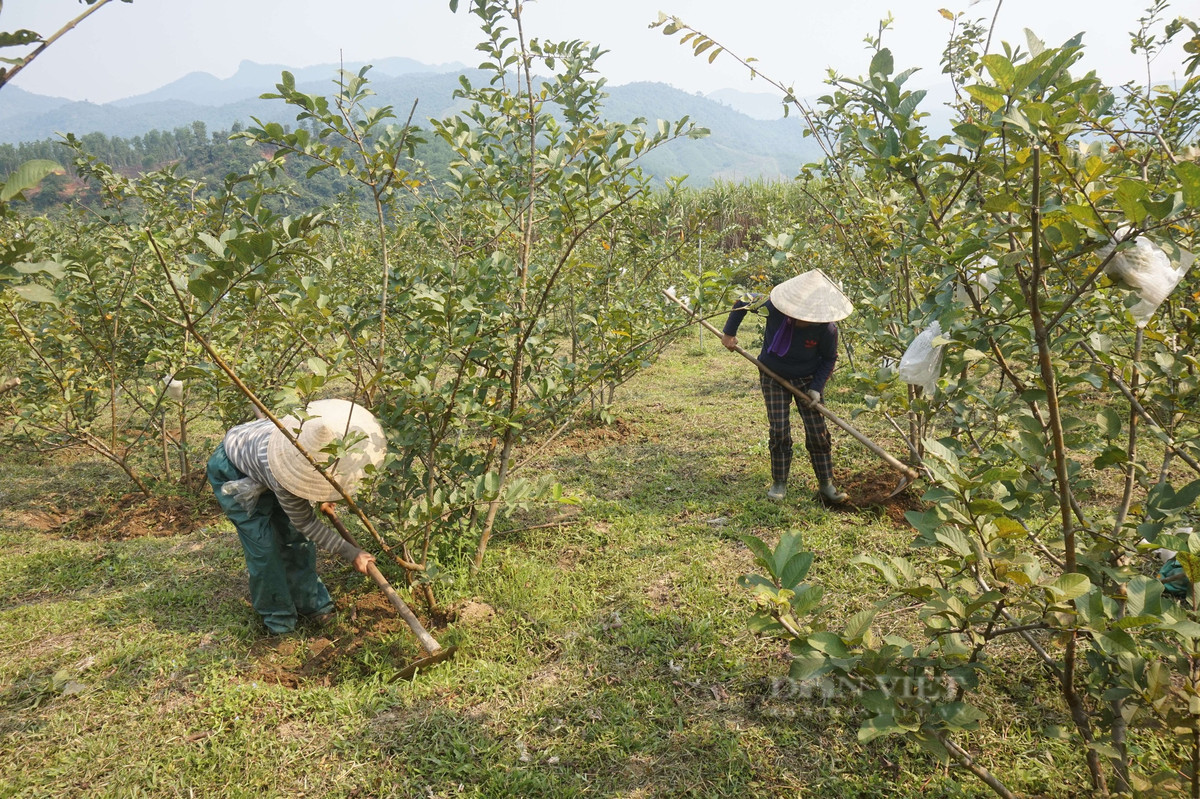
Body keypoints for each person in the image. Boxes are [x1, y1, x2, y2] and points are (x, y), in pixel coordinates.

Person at [206, 398, 386, 634]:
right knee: (265, 547)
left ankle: (313, 605)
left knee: (295, 539)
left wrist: (325, 496)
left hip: (261, 458)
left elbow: (328, 469)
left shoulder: (318, 440)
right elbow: (306, 523)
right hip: (233, 469)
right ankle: (279, 619)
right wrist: (352, 553)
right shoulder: (283, 469)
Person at [720, 269, 853, 504]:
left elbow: (829, 359)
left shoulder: (826, 328)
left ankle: (826, 484)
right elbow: (743, 299)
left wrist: (816, 388)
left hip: (807, 380)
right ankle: (779, 483)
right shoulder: (774, 307)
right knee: (779, 430)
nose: (803, 320)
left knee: (817, 431)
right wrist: (729, 333)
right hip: (773, 374)